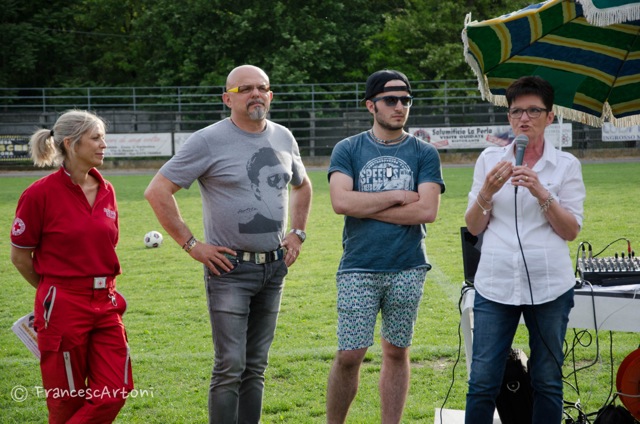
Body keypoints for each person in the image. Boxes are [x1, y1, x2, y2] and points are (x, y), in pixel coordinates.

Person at [144, 64, 312, 424]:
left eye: (262, 88)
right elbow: (157, 191)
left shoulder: (284, 136)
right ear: (227, 99)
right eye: (244, 89)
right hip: (229, 269)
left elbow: (303, 185)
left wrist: (297, 232)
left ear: (270, 95)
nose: (255, 94)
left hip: (274, 268)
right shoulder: (208, 140)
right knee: (230, 366)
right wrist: (192, 245)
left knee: (256, 365)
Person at [464, 75, 585, 423]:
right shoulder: (490, 160)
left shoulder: (566, 165)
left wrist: (541, 192)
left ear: (550, 117)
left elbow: (570, 230)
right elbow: (474, 227)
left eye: (534, 111)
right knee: (482, 381)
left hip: (549, 286)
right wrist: (487, 192)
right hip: (495, 284)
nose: (524, 119)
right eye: (516, 111)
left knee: (547, 380)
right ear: (508, 117)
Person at [326, 69, 445, 424]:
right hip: (358, 266)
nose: (400, 107)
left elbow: (427, 211)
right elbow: (341, 202)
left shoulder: (424, 152)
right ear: (371, 105)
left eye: (406, 100)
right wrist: (396, 196)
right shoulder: (348, 148)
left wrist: (367, 206)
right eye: (390, 100)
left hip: (408, 266)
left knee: (396, 352)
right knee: (350, 355)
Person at [10, 109, 133, 423]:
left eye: (103, 137)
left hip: (106, 303)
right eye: (96, 138)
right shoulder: (39, 195)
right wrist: (55, 292)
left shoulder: (107, 190)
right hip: (62, 305)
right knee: (66, 401)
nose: (104, 144)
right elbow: (20, 257)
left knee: (115, 391)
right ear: (71, 143)